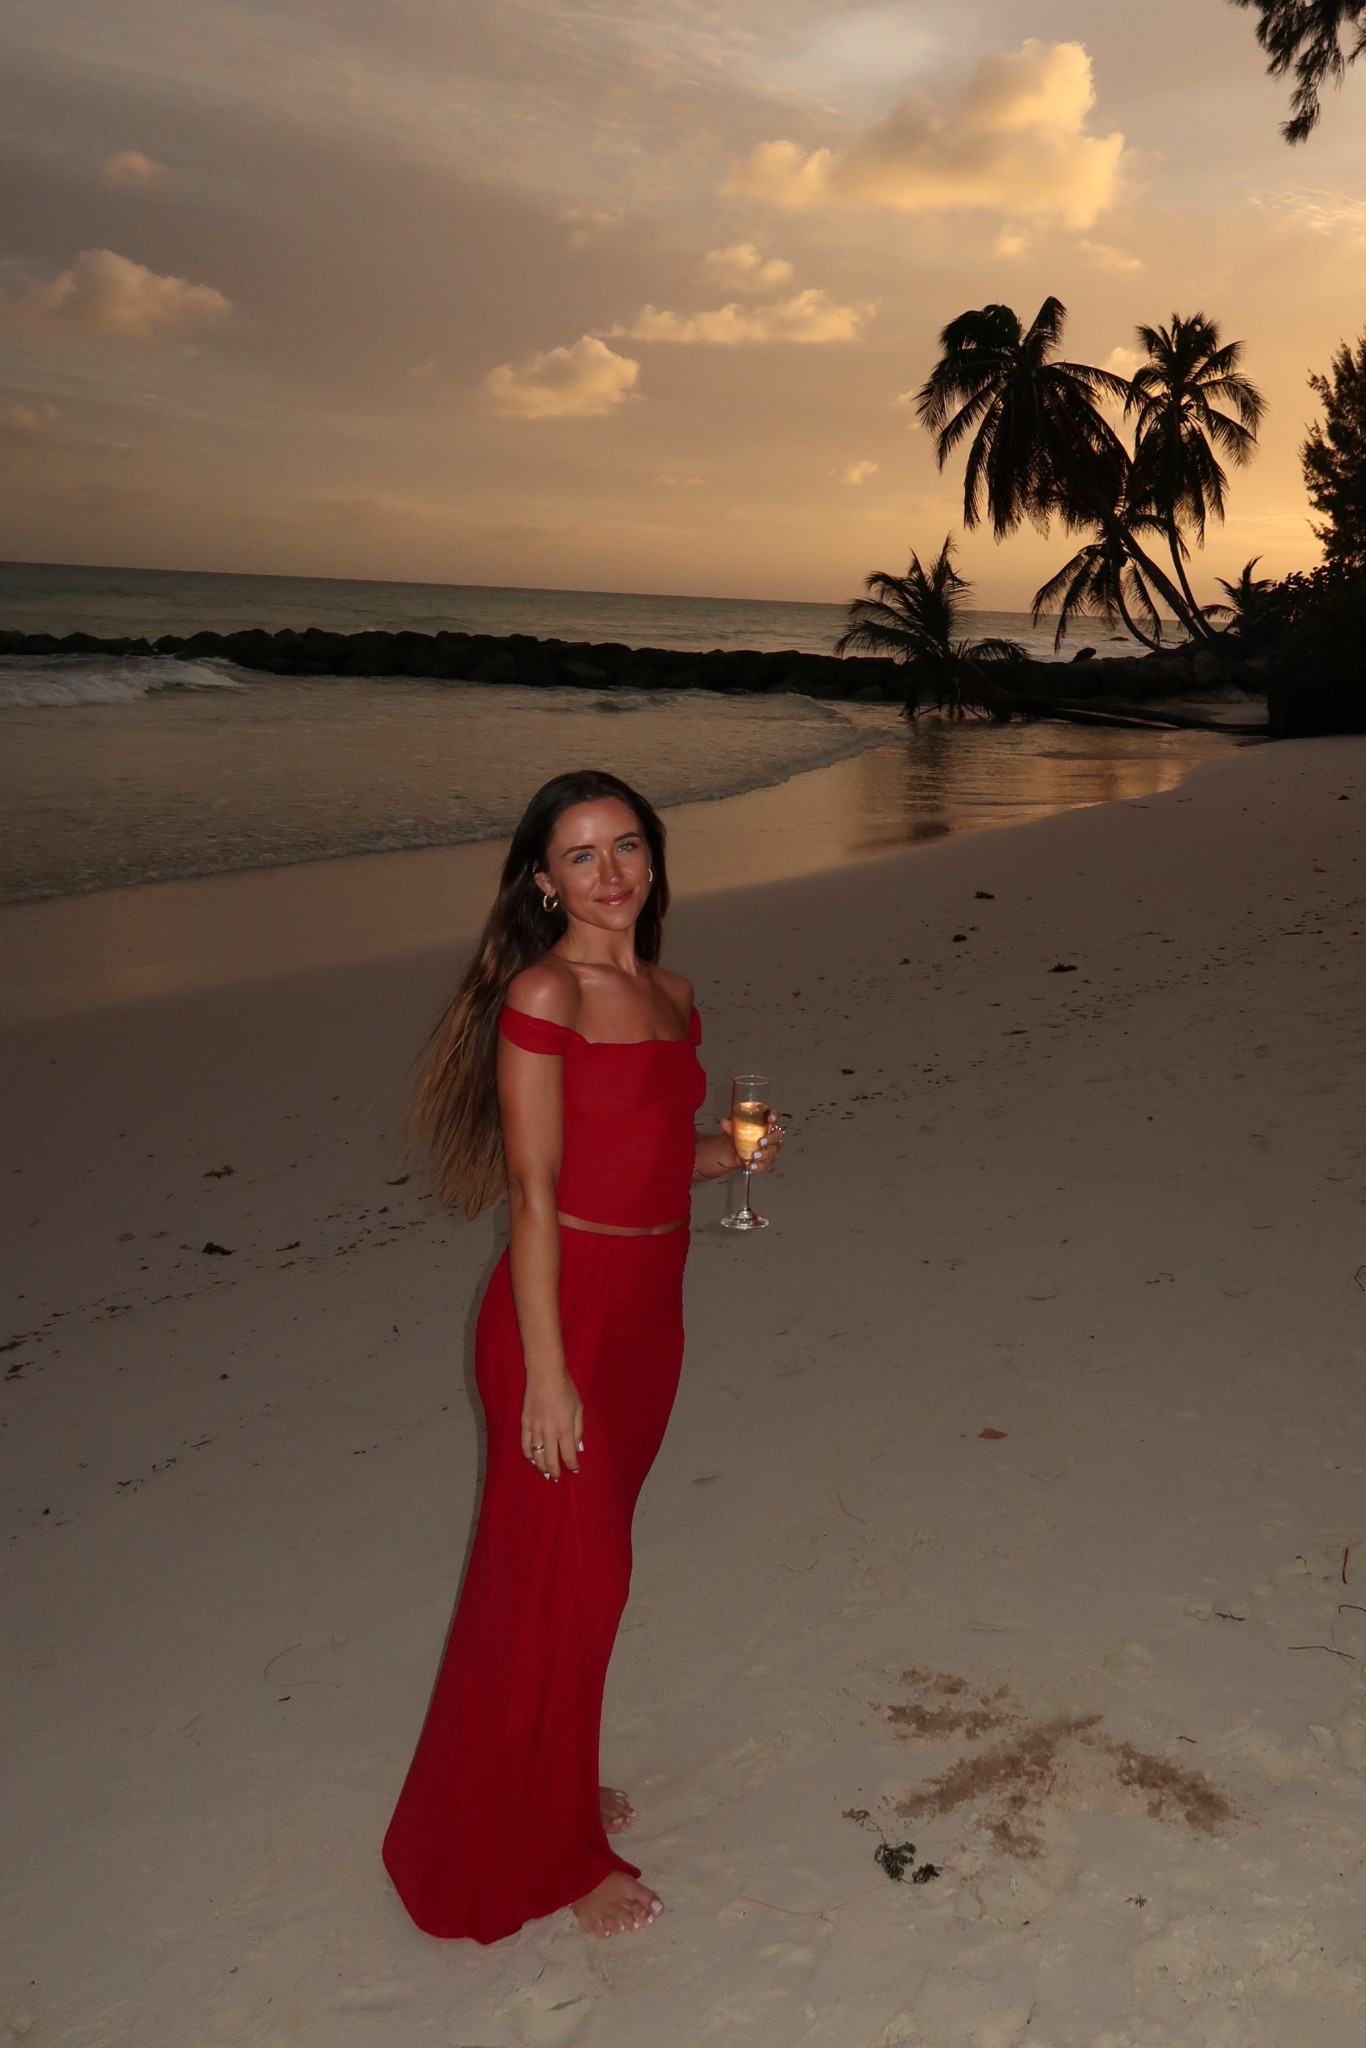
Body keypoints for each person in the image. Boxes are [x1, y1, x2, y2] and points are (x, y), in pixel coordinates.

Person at [382, 769, 782, 1943]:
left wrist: (732, 1155)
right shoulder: (543, 994)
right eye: (580, 855)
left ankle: (545, 1781)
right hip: (561, 1320)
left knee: (566, 1582)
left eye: (627, 848)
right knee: (579, 1579)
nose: (610, 873)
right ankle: (553, 1851)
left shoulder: (672, 992)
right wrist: (547, 1373)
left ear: (654, 859)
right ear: (542, 881)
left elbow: (659, 1155)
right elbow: (537, 1189)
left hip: (651, 1317)